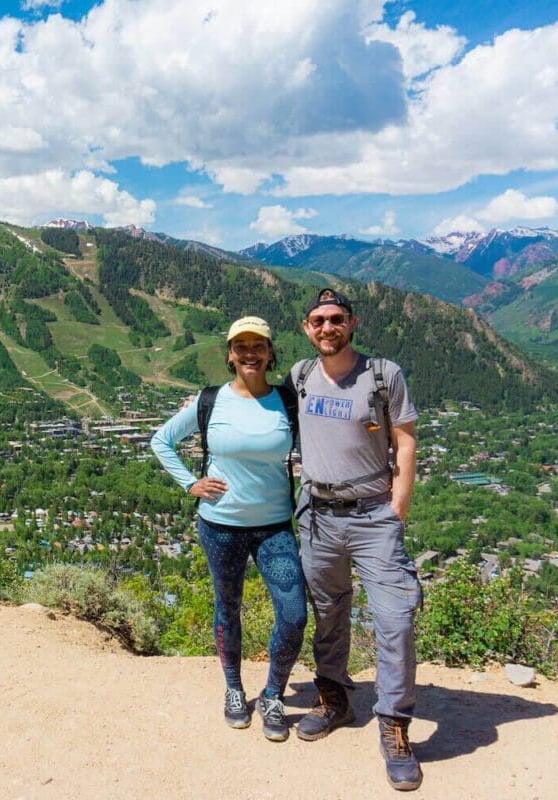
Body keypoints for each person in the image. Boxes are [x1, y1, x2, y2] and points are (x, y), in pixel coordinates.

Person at [286, 288, 423, 791]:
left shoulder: (383, 375)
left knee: (394, 617)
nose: (327, 327)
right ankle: (335, 698)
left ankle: (394, 724)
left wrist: (398, 505)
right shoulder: (299, 377)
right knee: (328, 612)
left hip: (372, 515)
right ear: (307, 328)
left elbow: (405, 440)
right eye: (318, 320)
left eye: (336, 319)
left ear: (352, 322)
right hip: (318, 516)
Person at [150, 316, 306, 742]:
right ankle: (234, 689)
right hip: (220, 525)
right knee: (227, 607)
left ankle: (273, 694)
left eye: (259, 345)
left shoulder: (287, 403)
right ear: (230, 355)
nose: (251, 353)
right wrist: (191, 484)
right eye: (242, 346)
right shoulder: (209, 401)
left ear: (272, 353)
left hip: (275, 526)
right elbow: (160, 441)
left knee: (293, 615)